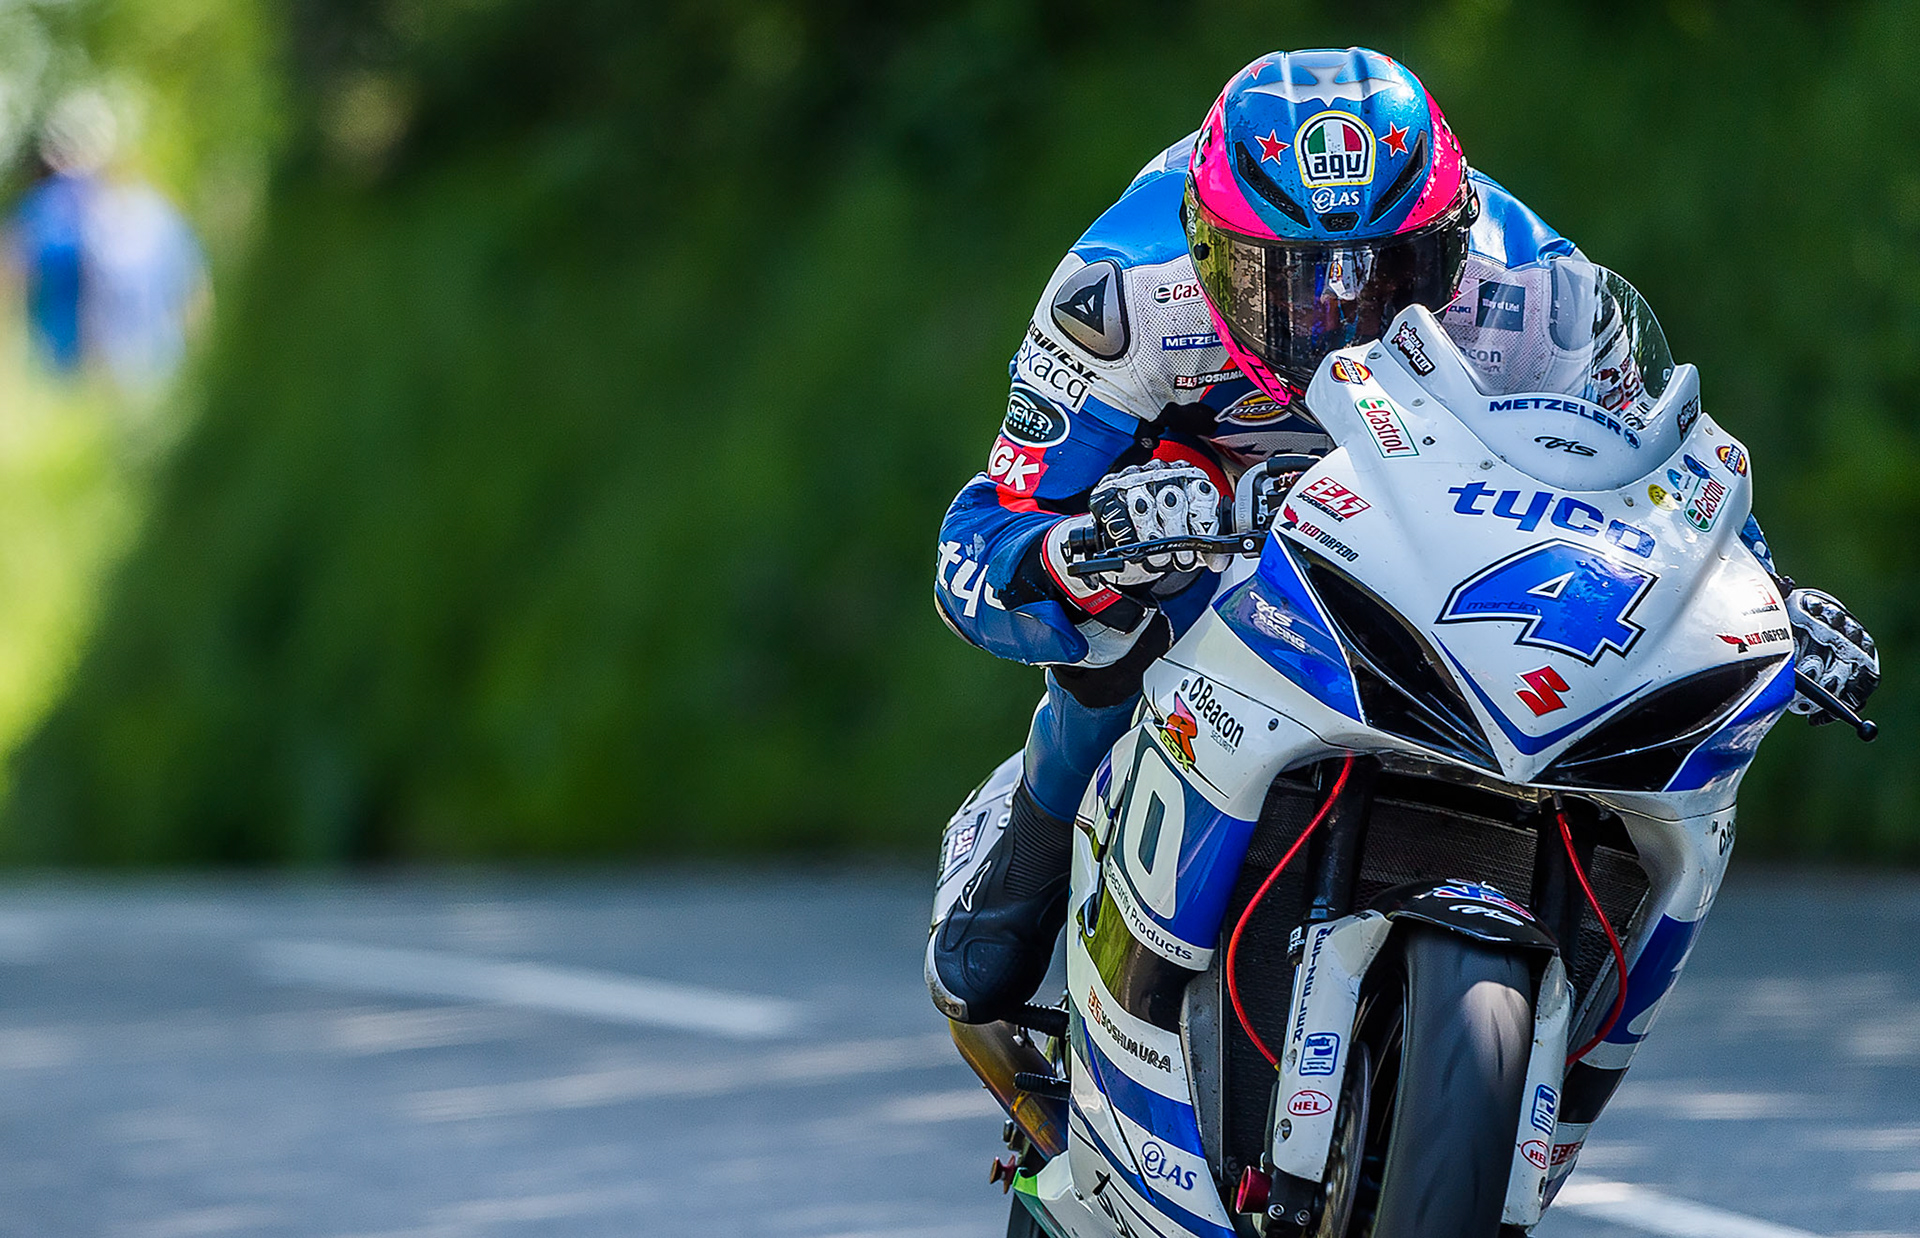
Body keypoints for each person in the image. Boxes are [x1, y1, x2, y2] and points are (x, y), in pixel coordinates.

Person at [926, 47, 1880, 1024]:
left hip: (1438, 499)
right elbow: (983, 536)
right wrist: (1083, 550)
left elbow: (1654, 480)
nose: (1339, 315)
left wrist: (1761, 588)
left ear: (1452, 241)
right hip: (1204, 498)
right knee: (1104, 653)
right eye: (1285, 281)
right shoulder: (1124, 290)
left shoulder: (1538, 290)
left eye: (1389, 274)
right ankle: (1033, 837)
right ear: (1206, 248)